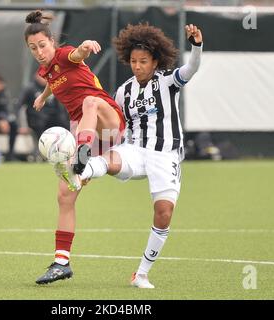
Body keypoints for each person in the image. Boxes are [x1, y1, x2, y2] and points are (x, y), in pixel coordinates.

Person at [79, 23, 203, 289]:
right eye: (133, 61)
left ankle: (142, 273)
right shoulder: (124, 92)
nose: (137, 66)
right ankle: (82, 172)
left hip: (165, 155)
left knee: (164, 213)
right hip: (135, 149)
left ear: (155, 61)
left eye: (143, 61)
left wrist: (196, 44)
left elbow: (192, 68)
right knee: (109, 162)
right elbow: (115, 129)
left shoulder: (169, 81)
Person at [24, 10, 125, 284]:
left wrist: (85, 47)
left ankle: (81, 155)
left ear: (52, 42)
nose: (38, 51)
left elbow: (76, 56)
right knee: (65, 196)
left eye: (42, 45)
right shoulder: (45, 69)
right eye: (32, 48)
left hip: (107, 119)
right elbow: (53, 81)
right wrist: (43, 96)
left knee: (89, 102)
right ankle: (61, 262)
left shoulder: (64, 54)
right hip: (84, 128)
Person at [17, 71, 70, 140]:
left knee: (63, 122)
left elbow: (60, 105)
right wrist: (20, 126)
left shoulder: (53, 86)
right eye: (42, 76)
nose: (44, 78)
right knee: (40, 124)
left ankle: (67, 145)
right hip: (37, 116)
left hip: (53, 116)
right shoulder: (29, 89)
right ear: (36, 76)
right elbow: (19, 105)